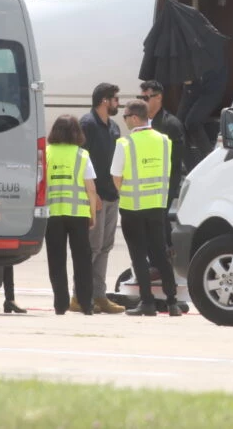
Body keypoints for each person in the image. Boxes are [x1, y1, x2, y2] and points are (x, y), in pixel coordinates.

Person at [112, 99, 181, 317]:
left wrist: (126, 193)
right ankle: (172, 302)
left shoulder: (125, 143)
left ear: (133, 117)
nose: (124, 121)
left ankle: (147, 302)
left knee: (139, 256)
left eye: (124, 117)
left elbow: (116, 177)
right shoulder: (164, 141)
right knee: (160, 254)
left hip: (132, 207)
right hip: (157, 206)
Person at [71, 83, 126, 315]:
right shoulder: (87, 125)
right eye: (115, 99)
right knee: (91, 248)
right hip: (95, 196)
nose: (118, 103)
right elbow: (81, 160)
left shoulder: (113, 127)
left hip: (112, 196)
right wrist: (90, 195)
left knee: (105, 247)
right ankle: (78, 296)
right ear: (104, 100)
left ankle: (99, 295)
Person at [44, 114, 100, 315]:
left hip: (53, 215)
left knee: (56, 260)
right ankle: (86, 304)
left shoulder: (46, 153)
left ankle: (60, 304)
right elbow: (90, 188)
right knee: (82, 261)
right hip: (78, 215)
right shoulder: (81, 155)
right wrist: (92, 213)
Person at [139, 80, 186, 247]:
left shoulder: (171, 124)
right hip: (145, 181)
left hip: (164, 181)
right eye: (140, 97)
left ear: (158, 97)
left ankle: (167, 251)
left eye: (146, 98)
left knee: (160, 217)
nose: (142, 102)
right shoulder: (140, 124)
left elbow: (176, 157)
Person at [177, 63, 228, 168]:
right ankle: (190, 168)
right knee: (178, 126)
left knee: (192, 122)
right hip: (192, 83)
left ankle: (211, 161)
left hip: (211, 85)